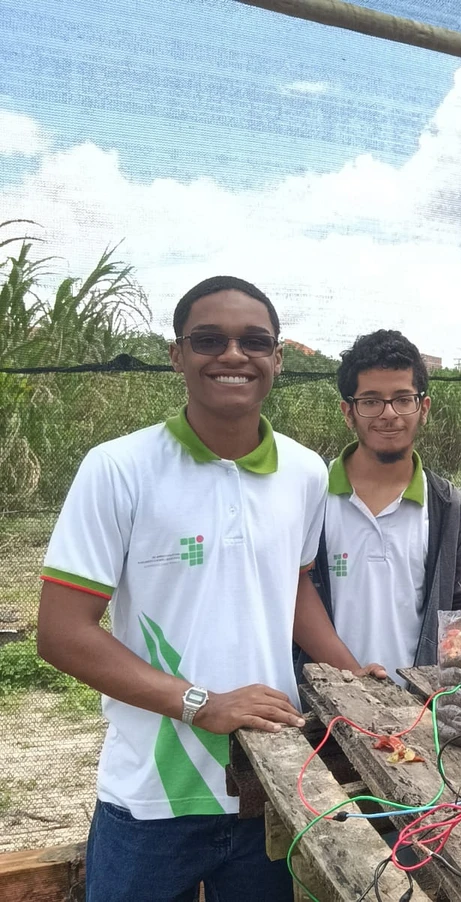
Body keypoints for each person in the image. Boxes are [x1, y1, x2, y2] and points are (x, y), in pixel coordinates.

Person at [36, 276, 384, 902]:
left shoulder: (305, 472)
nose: (233, 355)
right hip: (151, 793)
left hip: (270, 778)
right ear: (177, 354)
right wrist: (201, 703)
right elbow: (62, 634)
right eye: (208, 340)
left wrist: (352, 675)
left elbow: (293, 588)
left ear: (277, 358)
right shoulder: (119, 468)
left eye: (254, 341)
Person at [305, 330, 461, 681]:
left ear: (423, 408)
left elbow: (457, 608)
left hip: (420, 702)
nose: (388, 414)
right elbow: (292, 594)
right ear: (348, 412)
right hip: (326, 699)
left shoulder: (447, 508)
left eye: (402, 399)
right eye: (370, 401)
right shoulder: (312, 497)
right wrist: (350, 675)